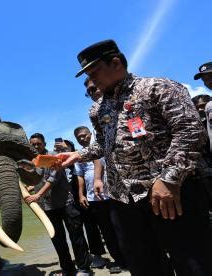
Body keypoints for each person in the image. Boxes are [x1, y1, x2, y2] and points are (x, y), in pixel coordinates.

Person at [58, 39, 212, 276]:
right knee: (144, 265)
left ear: (116, 62)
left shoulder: (158, 87)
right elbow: (104, 144)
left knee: (192, 261)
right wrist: (79, 154)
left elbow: (190, 131)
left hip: (170, 191)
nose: (92, 79)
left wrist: (169, 179)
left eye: (94, 71)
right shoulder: (98, 109)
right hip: (124, 199)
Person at [25, 133, 91, 276]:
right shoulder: (32, 161)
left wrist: (38, 194)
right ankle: (68, 270)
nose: (36, 146)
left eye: (39, 143)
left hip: (66, 202)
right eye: (33, 144)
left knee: (76, 236)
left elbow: (53, 178)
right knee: (57, 240)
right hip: (47, 206)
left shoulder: (55, 156)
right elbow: (36, 179)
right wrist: (30, 187)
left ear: (44, 143)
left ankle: (84, 269)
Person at [74, 126, 126, 273]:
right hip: (94, 198)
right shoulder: (79, 156)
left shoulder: (103, 146)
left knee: (121, 227)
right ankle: (118, 260)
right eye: (79, 137)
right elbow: (80, 176)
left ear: (91, 134)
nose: (82, 138)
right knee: (107, 232)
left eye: (84, 135)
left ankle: (130, 257)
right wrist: (81, 195)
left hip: (112, 194)